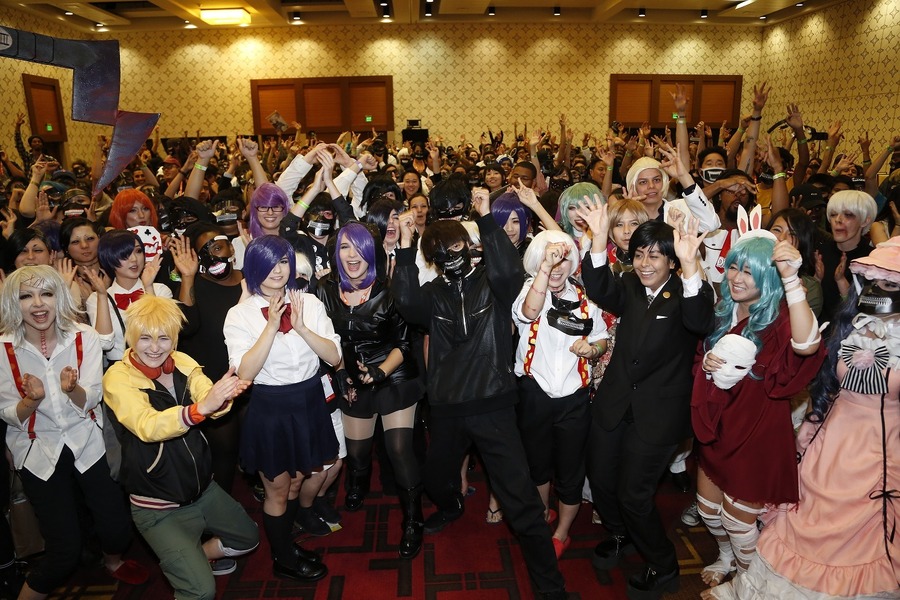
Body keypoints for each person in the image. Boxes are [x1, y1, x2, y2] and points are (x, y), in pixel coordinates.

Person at [391, 187, 568, 600]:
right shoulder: (432, 294)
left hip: (493, 404)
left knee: (521, 503)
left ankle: (551, 588)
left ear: (469, 247)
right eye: (441, 252)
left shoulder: (493, 282)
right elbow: (406, 302)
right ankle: (451, 505)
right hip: (447, 407)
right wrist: (405, 245)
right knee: (435, 479)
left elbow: (509, 272)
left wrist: (487, 218)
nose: (450, 256)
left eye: (457, 247)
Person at [703, 239, 900, 599]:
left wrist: (792, 281)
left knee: (862, 531)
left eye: (889, 284)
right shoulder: (853, 328)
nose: (878, 291)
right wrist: (807, 430)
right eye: (873, 281)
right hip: (832, 438)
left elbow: (805, 347)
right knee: (805, 521)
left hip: (883, 448)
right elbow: (826, 383)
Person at [576, 196, 715, 598]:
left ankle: (663, 564)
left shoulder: (689, 291)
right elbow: (599, 286)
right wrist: (598, 238)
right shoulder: (629, 286)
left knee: (634, 495)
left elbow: (700, 321)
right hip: (615, 403)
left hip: (658, 414)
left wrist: (691, 265)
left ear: (672, 260)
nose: (645, 263)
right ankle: (620, 534)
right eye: (639, 255)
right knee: (602, 479)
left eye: (655, 256)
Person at [0, 266, 148, 599]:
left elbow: (92, 397)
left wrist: (72, 390)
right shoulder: (2, 349)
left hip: (87, 440)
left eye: (47, 293)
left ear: (60, 297)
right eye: (26, 296)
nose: (38, 304)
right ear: (13, 302)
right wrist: (31, 400)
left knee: (117, 528)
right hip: (37, 449)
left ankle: (112, 561)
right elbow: (7, 413)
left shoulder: (85, 336)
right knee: (63, 552)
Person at [691, 230, 825, 598]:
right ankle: (725, 559)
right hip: (719, 424)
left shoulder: (782, 317)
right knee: (708, 510)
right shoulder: (723, 309)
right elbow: (699, 358)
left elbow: (807, 346)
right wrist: (708, 364)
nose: (736, 277)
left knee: (738, 520)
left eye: (749, 272)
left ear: (768, 277)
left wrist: (791, 280)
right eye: (734, 267)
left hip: (757, 430)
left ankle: (748, 583)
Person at [102, 295, 259, 598]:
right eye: (145, 338)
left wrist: (223, 397)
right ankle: (190, 567)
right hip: (157, 507)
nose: (154, 347)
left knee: (248, 538)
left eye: (163, 338)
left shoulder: (183, 362)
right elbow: (147, 425)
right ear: (131, 337)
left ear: (174, 339)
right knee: (201, 592)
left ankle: (192, 559)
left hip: (203, 490)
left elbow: (211, 403)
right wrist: (200, 409)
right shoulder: (118, 378)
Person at [223, 235, 339, 582]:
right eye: (269, 263)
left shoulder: (309, 303)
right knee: (277, 488)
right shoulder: (240, 314)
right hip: (270, 407)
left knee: (297, 480)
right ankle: (283, 560)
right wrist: (271, 326)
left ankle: (285, 544)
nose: (278, 270)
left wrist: (300, 327)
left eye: (284, 261)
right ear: (253, 267)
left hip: (309, 401)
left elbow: (334, 357)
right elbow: (245, 373)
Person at [317, 222, 424, 558]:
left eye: (359, 248)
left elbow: (404, 344)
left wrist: (379, 372)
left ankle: (413, 520)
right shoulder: (324, 290)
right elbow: (324, 340)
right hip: (350, 376)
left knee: (398, 448)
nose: (352, 256)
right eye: (344, 247)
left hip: (393, 374)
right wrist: (341, 374)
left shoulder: (390, 290)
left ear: (372, 253)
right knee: (357, 453)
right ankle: (357, 483)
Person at [513, 230, 608, 558]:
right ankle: (542, 515)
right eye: (548, 261)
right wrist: (544, 269)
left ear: (573, 264)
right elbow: (528, 312)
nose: (555, 268)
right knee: (536, 463)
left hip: (574, 399)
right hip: (534, 394)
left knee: (570, 469)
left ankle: (562, 532)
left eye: (562, 260)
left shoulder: (587, 300)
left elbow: (601, 338)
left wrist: (593, 349)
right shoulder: (529, 290)